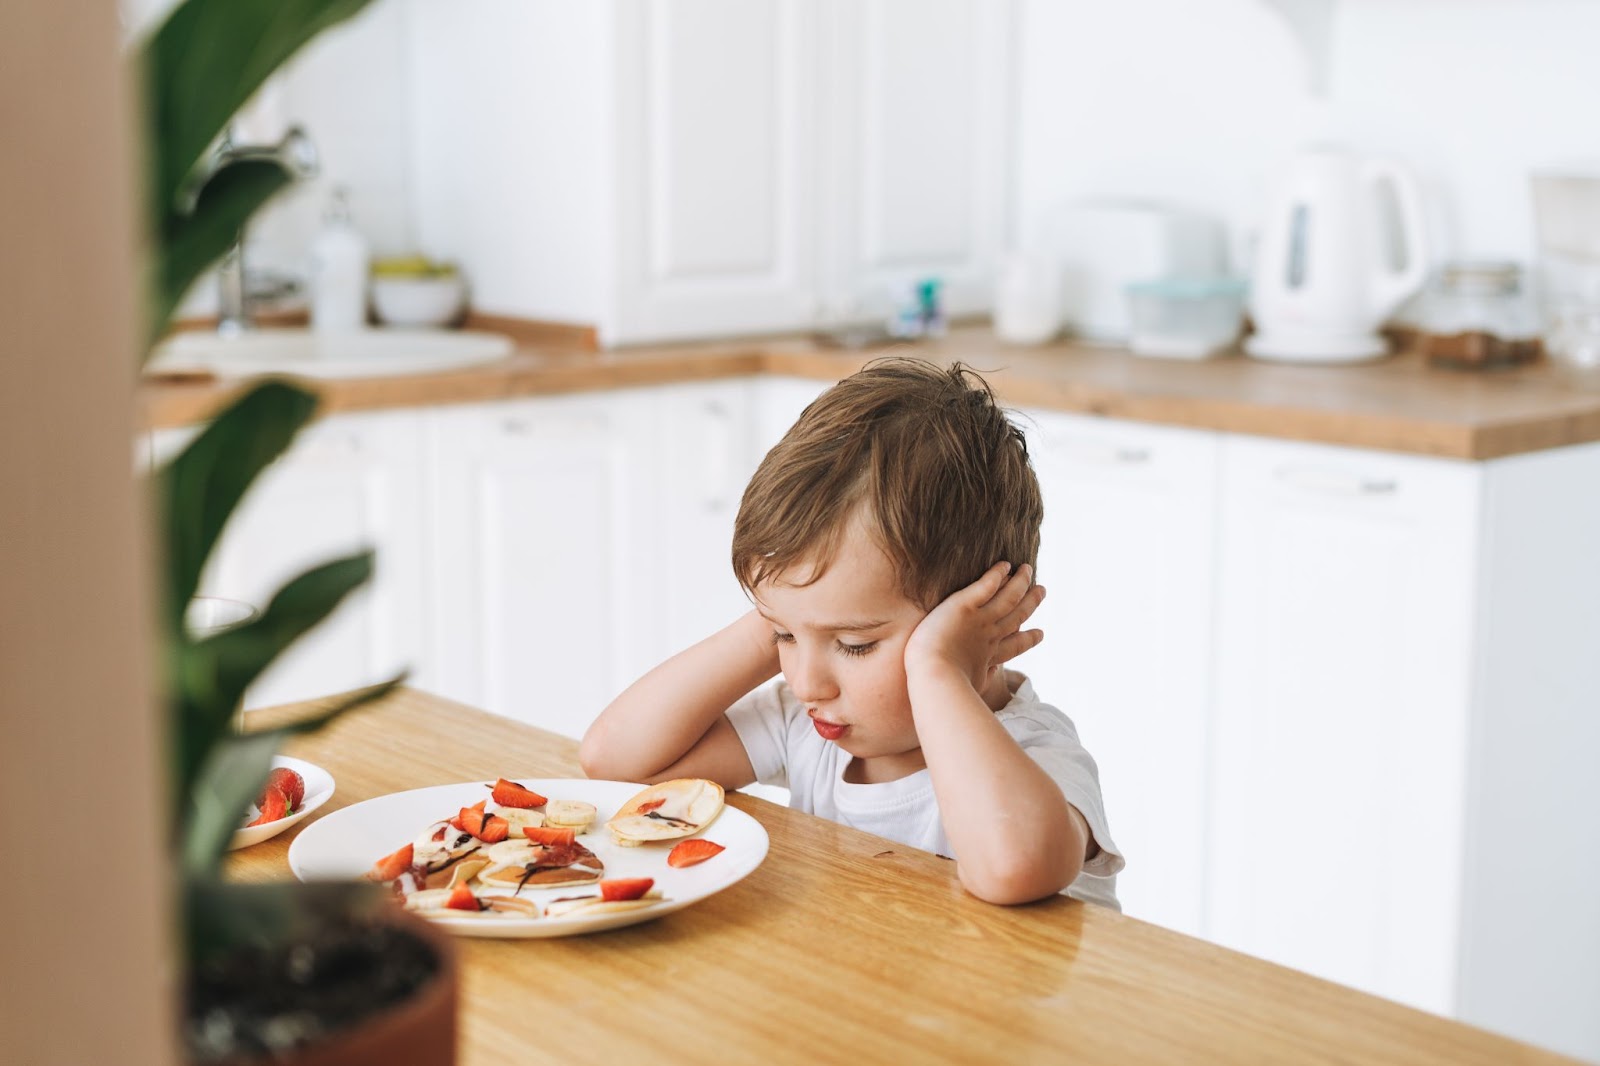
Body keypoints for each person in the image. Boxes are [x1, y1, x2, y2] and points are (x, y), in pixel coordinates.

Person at [580, 358, 1122, 906]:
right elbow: (616, 762)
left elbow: (1014, 869)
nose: (808, 682)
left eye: (854, 644)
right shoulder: (808, 726)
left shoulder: (1036, 753)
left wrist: (937, 672)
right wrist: (776, 622)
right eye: (786, 639)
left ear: (984, 622)